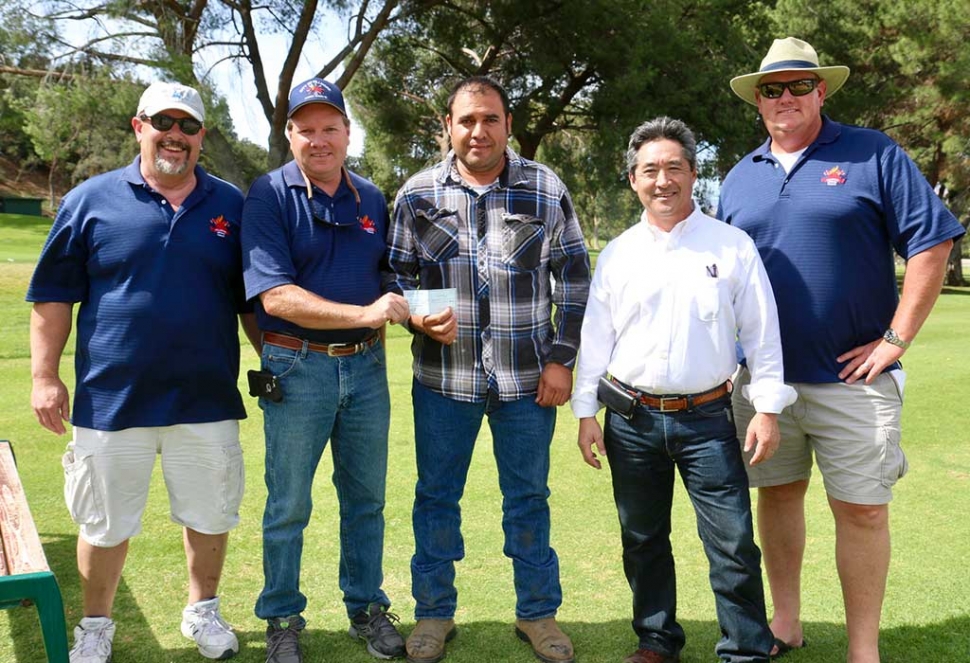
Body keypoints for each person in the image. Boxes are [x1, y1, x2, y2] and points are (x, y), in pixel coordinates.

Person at [718, 37, 966, 663]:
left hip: (852, 382)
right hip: (763, 385)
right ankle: (788, 623)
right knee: (776, 497)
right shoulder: (740, 177)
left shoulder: (872, 154)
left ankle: (863, 650)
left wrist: (895, 339)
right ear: (758, 101)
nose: (785, 97)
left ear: (821, 91)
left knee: (861, 512)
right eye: (772, 89)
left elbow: (932, 245)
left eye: (799, 85)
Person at [27, 81, 256, 663]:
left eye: (188, 126)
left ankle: (202, 611)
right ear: (139, 126)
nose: (174, 135)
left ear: (201, 136)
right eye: (164, 122)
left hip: (205, 399)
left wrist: (277, 360)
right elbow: (53, 296)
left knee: (209, 514)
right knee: (103, 523)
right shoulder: (89, 199)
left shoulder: (231, 205)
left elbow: (252, 300)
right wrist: (44, 376)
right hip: (111, 399)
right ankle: (96, 625)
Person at [571, 117, 796, 663]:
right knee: (643, 540)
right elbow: (595, 338)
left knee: (732, 544)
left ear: (694, 174)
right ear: (633, 180)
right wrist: (585, 414)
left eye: (675, 167)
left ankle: (744, 646)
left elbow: (763, 335)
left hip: (708, 419)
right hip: (630, 419)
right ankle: (656, 641)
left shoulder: (732, 245)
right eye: (650, 170)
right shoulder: (619, 254)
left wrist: (767, 410)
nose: (662, 180)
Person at [386, 75, 590, 663]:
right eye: (467, 120)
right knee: (436, 498)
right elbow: (394, 276)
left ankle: (538, 615)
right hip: (442, 383)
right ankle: (433, 613)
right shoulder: (418, 193)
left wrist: (560, 359)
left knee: (528, 498)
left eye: (490, 119)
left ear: (507, 125)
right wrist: (420, 316)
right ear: (448, 126)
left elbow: (574, 280)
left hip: (529, 382)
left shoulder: (545, 188)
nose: (479, 131)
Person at [241, 77, 410, 663]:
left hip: (365, 370)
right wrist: (365, 313)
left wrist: (414, 309)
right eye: (305, 129)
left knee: (365, 499)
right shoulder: (267, 195)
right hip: (297, 366)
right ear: (289, 134)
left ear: (346, 131)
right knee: (288, 503)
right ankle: (282, 618)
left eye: (329, 127)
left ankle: (366, 607)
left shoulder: (371, 196)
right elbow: (274, 297)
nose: (319, 140)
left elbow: (388, 274)